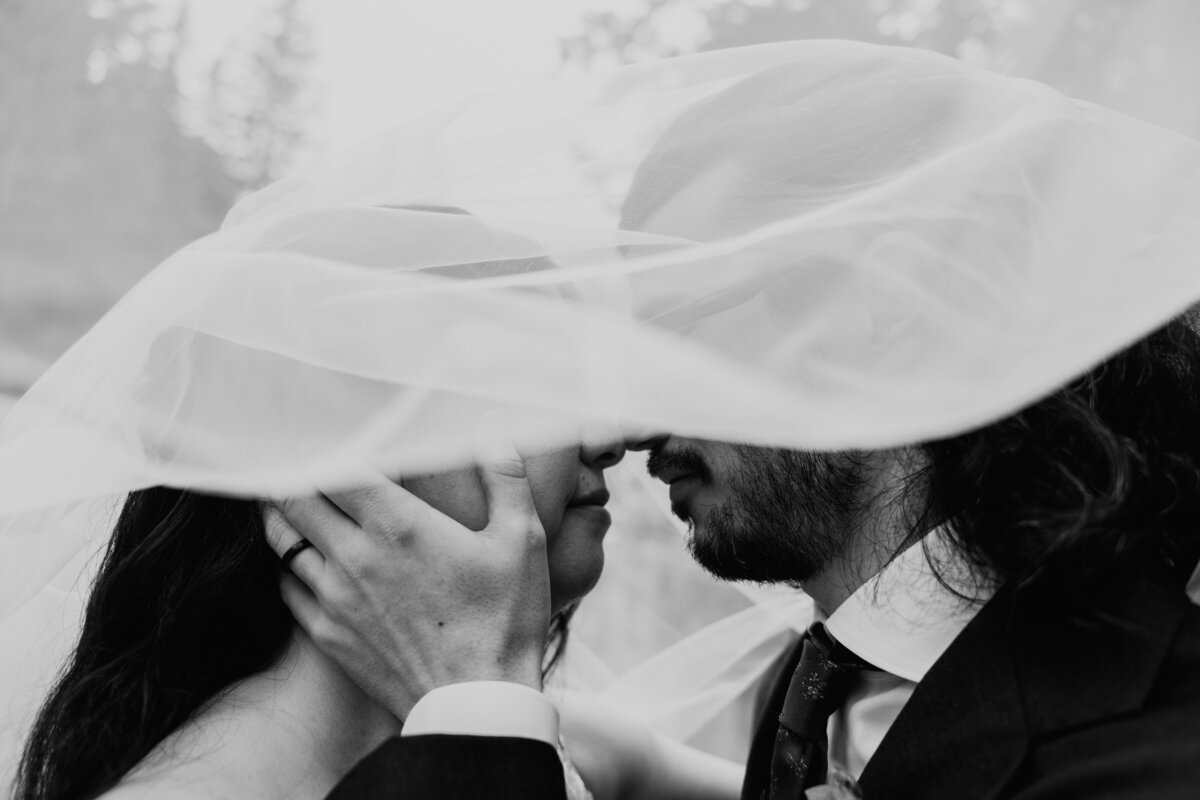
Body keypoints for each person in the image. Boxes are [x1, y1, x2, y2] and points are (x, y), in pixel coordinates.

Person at [265, 44, 1200, 800]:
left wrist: (476, 713)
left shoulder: (1151, 760)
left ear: (883, 302)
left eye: (678, 329)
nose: (627, 426)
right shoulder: (822, 690)